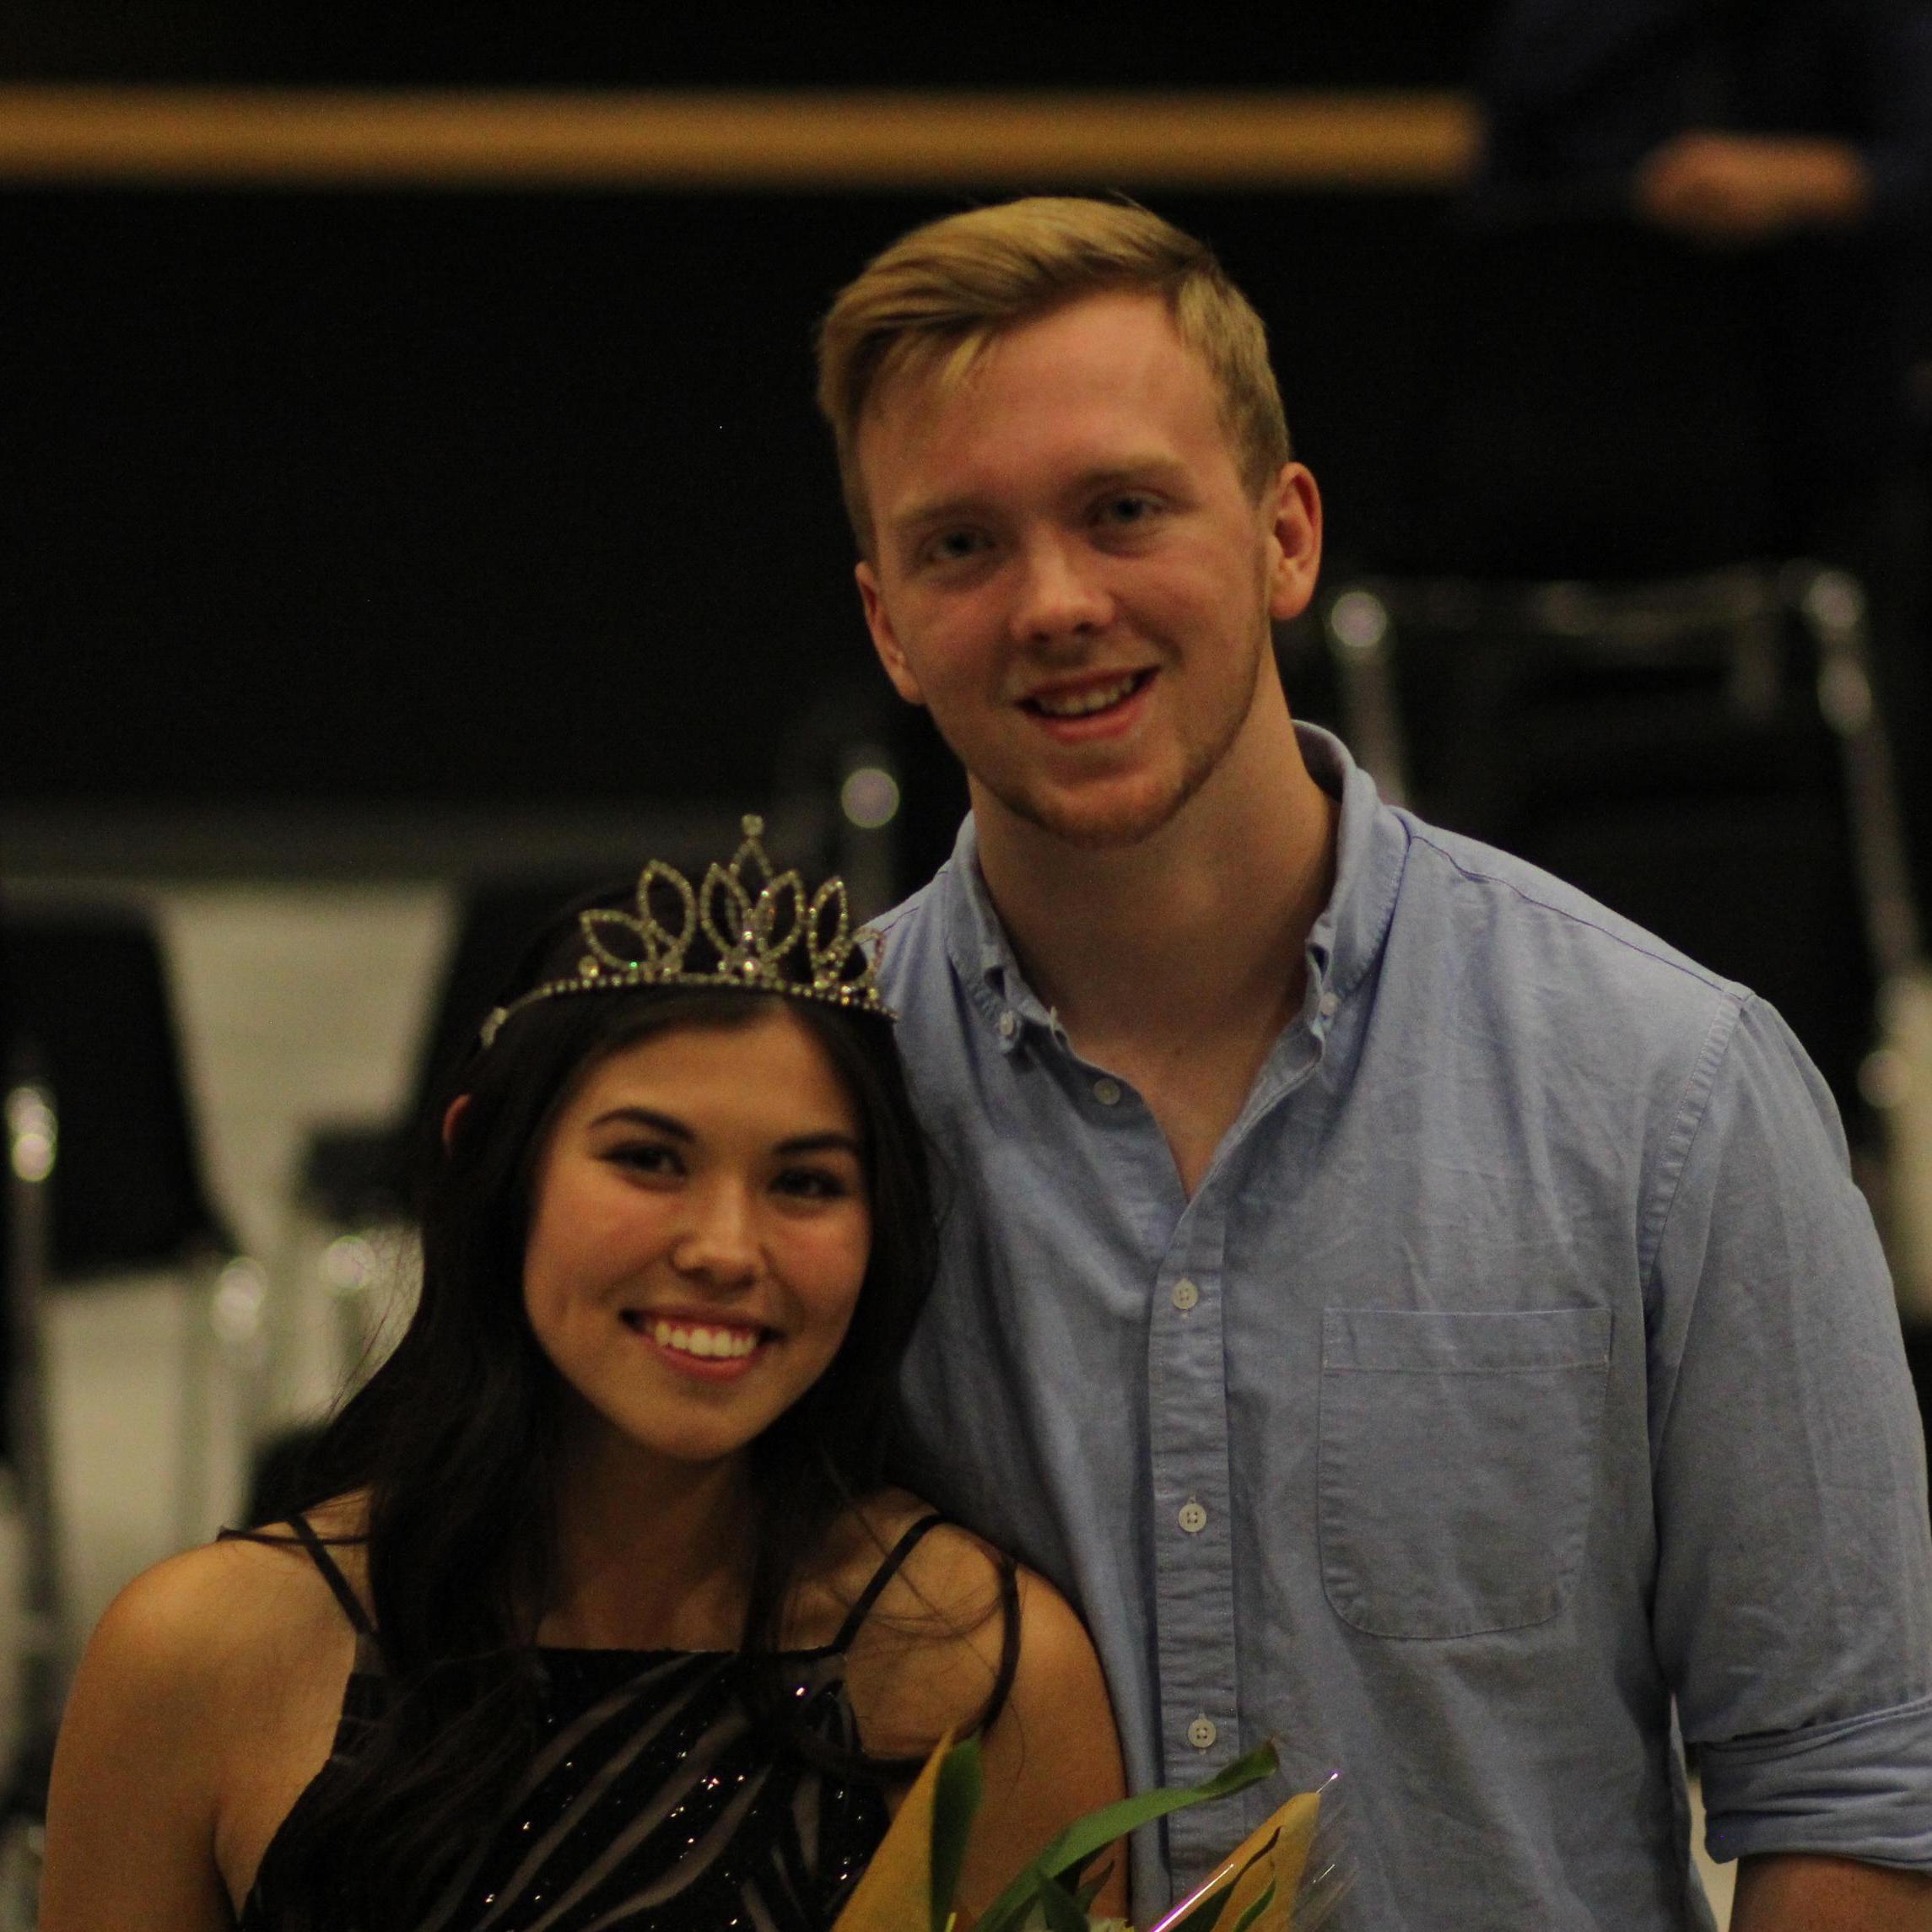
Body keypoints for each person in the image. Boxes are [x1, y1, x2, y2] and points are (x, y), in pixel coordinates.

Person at [815, 196, 1932, 1929]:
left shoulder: (1668, 1089)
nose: (1052, 602)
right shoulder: (809, 1118)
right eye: (960, 546)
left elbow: (1852, 1790)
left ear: (1282, 535)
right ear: (887, 624)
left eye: (1122, 511)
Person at [36, 822, 1126, 1931]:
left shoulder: (982, 1677)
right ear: (490, 1167)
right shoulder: (198, 1660)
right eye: (649, 1160)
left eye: (804, 1182)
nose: (724, 1247)